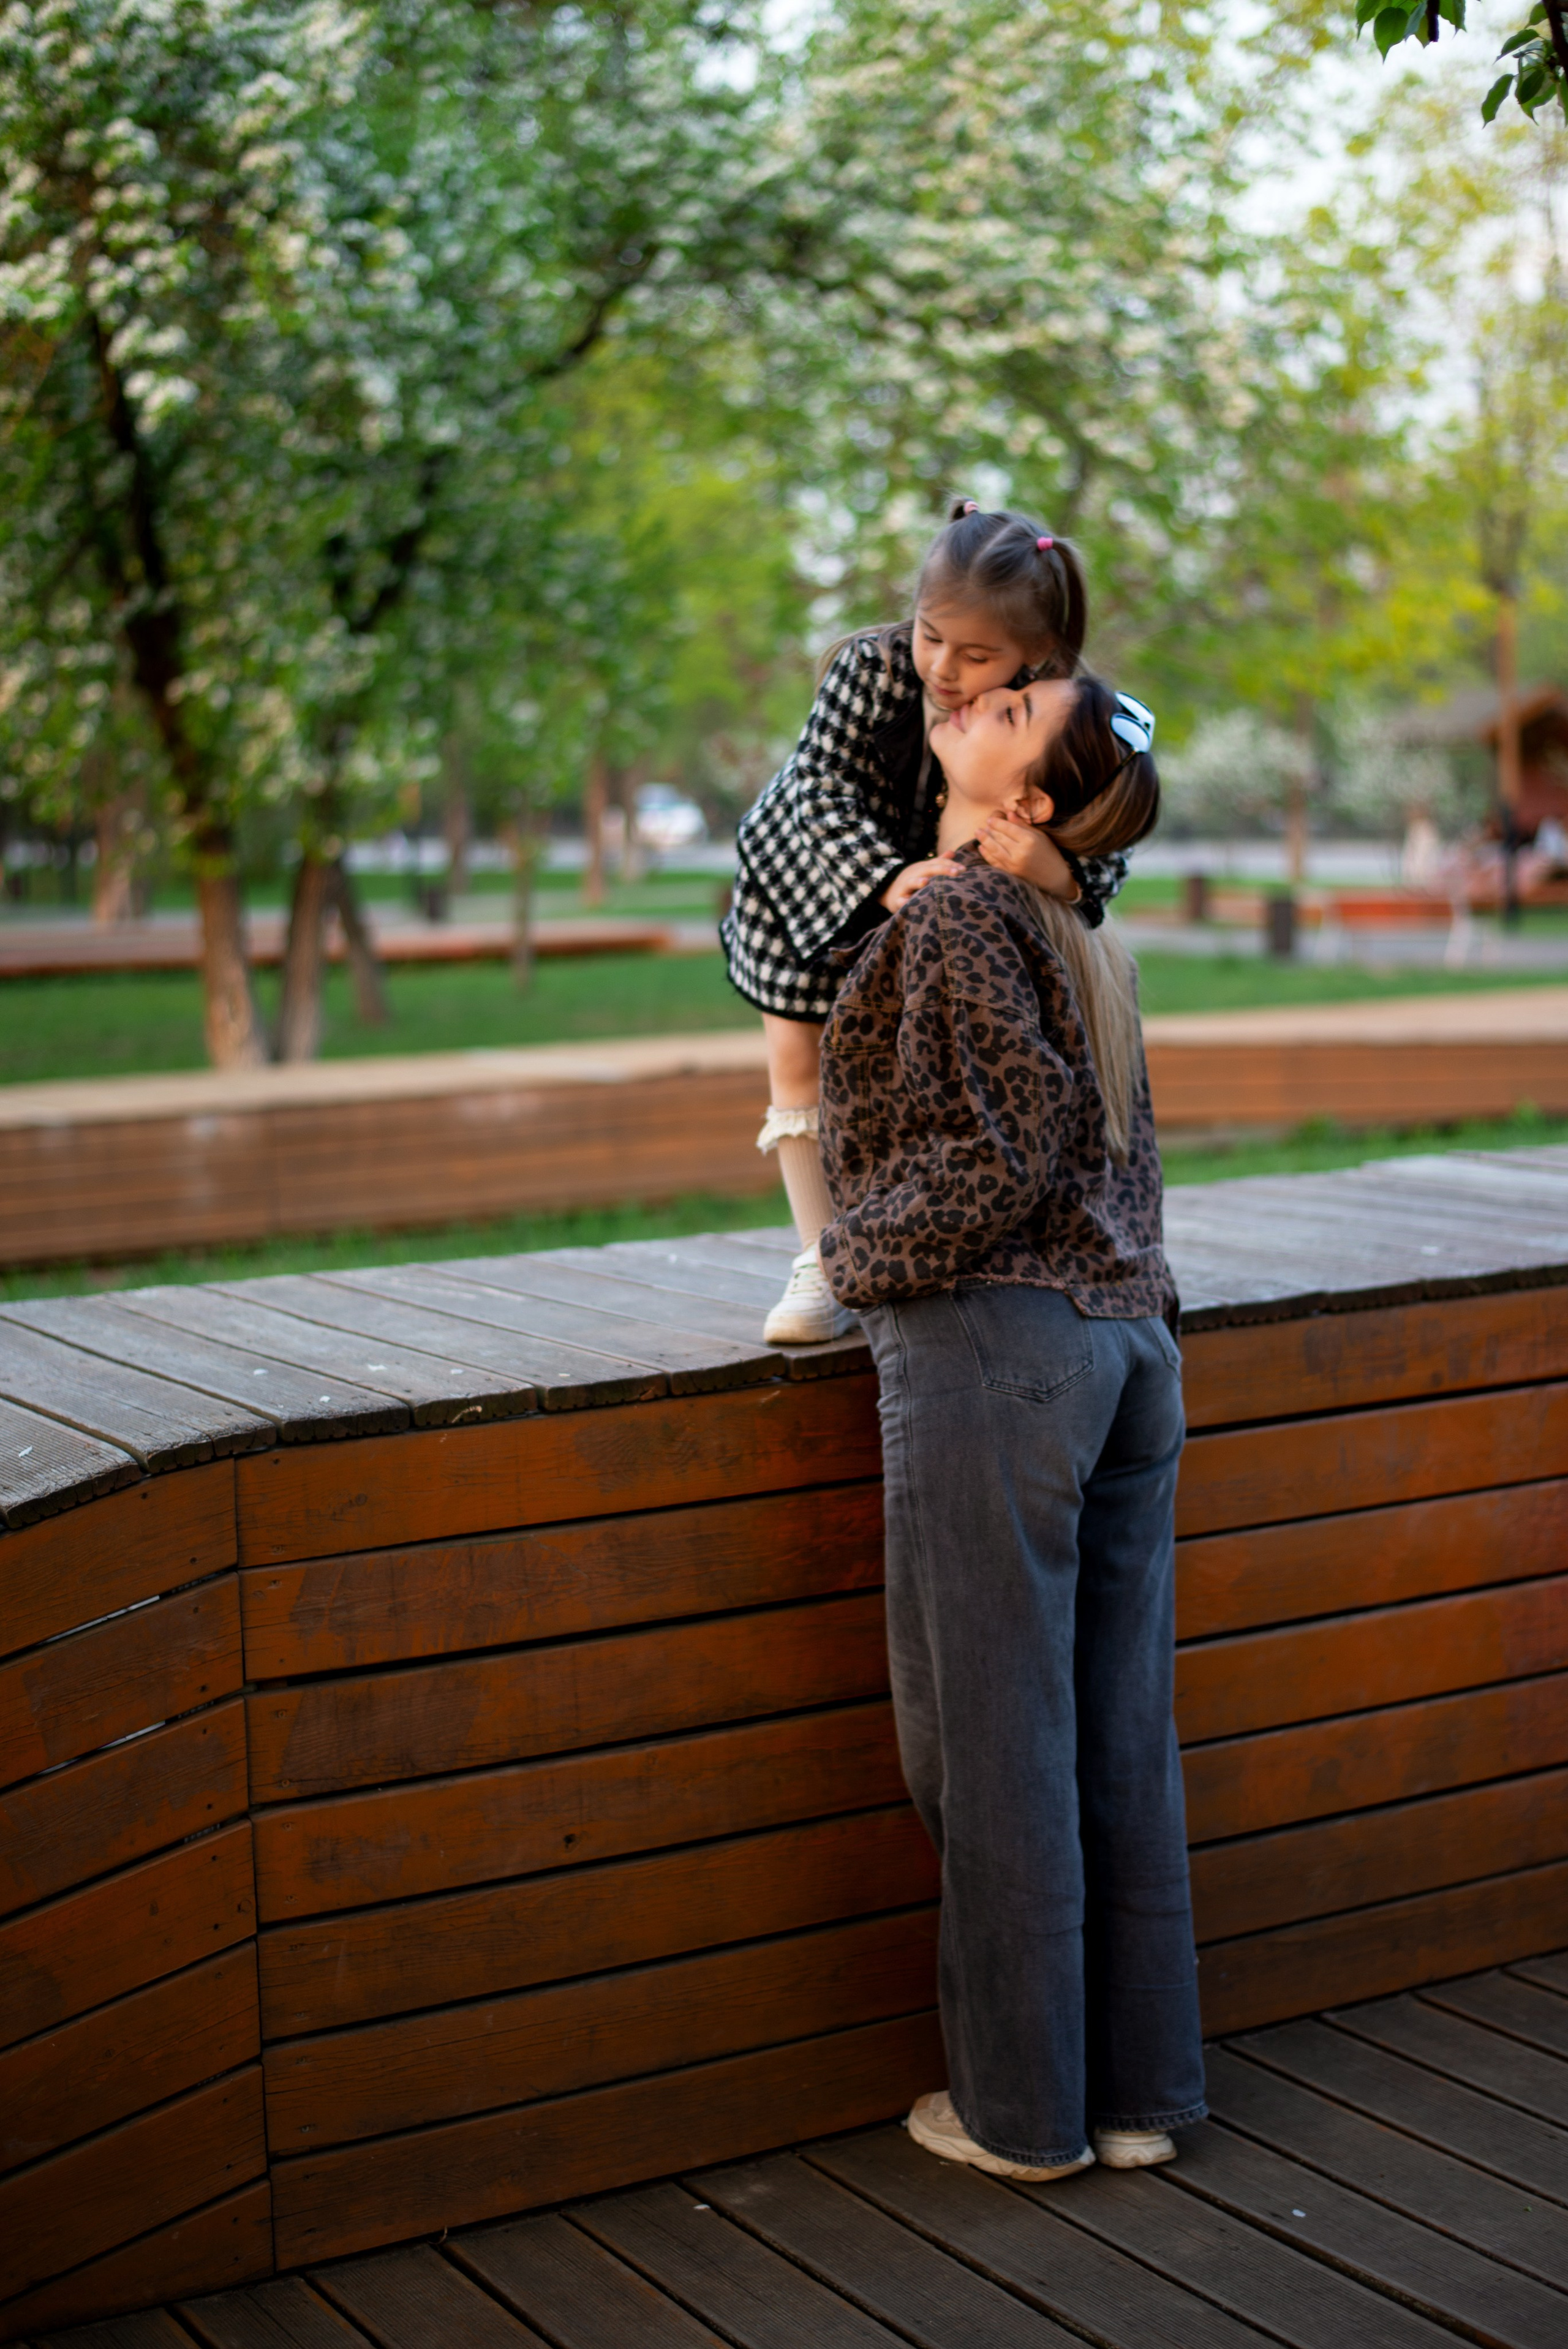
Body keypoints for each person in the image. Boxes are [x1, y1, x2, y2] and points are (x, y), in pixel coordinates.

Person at [816, 671, 1207, 2181]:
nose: (970, 700)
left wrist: (854, 1263)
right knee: (1117, 1737)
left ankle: (1020, 2116)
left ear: (1026, 794)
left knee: (994, 1748)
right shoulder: (1081, 927)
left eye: (1009, 707)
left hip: (1003, 1347)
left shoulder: (958, 915)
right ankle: (1137, 2098)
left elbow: (1006, 1148)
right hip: (1129, 1347)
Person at [722, 501, 1129, 1344]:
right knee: (800, 1058)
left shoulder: (1053, 708)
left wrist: (1062, 871)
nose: (943, 669)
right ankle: (819, 1259)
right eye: (930, 633)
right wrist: (883, 875)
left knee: (900, 1065)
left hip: (932, 893)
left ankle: (892, 1234)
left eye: (978, 655)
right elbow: (818, 792)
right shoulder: (871, 671)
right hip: (812, 873)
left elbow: (1109, 812)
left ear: (1036, 655)